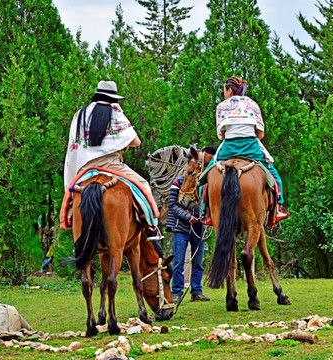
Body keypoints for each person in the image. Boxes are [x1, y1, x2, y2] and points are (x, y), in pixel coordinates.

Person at [63, 80, 162, 240]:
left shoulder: (79, 114)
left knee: (73, 193)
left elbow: (73, 147)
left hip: (84, 168)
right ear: (113, 98)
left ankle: (71, 218)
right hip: (111, 165)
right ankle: (152, 226)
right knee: (144, 185)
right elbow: (136, 142)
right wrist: (122, 144)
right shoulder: (114, 111)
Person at [214, 76, 288, 218]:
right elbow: (260, 134)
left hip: (229, 147)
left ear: (230, 90)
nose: (224, 93)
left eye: (224, 90)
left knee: (206, 175)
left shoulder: (222, 106)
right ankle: (278, 208)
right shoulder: (252, 105)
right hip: (251, 147)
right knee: (275, 176)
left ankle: (206, 210)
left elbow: (221, 135)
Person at [165, 173, 210, 303]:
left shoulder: (206, 184)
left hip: (200, 228)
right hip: (181, 227)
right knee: (178, 262)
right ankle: (176, 292)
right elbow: (172, 205)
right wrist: (187, 217)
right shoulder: (177, 182)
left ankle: (196, 291)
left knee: (198, 263)